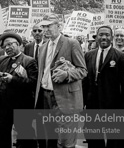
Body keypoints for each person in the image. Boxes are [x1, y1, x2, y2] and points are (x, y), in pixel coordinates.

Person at [35, 13, 87, 148]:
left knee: (66, 142)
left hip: (66, 99)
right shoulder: (42, 47)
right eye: (43, 26)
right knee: (50, 139)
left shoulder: (71, 43)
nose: (45, 30)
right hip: (46, 97)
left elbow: (83, 70)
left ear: (59, 26)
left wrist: (67, 74)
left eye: (49, 26)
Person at [0, 32, 38, 148]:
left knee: (25, 136)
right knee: (1, 136)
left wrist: (13, 79)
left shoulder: (29, 61)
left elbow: (33, 83)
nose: (7, 48)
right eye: (4, 46)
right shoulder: (2, 60)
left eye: (10, 44)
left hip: (21, 106)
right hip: (3, 107)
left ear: (18, 44)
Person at [83, 26, 124, 148]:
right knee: (93, 138)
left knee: (114, 140)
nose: (104, 37)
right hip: (92, 105)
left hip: (113, 105)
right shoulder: (88, 55)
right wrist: (82, 103)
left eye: (107, 35)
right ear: (96, 37)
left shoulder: (120, 56)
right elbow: (84, 81)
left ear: (112, 37)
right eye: (101, 35)